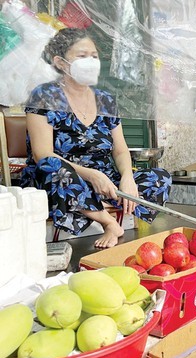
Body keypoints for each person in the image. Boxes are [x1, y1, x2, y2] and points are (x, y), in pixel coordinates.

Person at [23, 28, 171, 248]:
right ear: (61, 62)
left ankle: (90, 206)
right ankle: (108, 221)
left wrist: (127, 177)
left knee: (161, 176)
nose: (91, 62)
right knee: (52, 168)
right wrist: (92, 175)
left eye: (94, 56)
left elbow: (120, 150)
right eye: (82, 56)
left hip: (105, 179)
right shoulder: (44, 96)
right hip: (65, 175)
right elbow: (42, 153)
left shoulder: (106, 100)